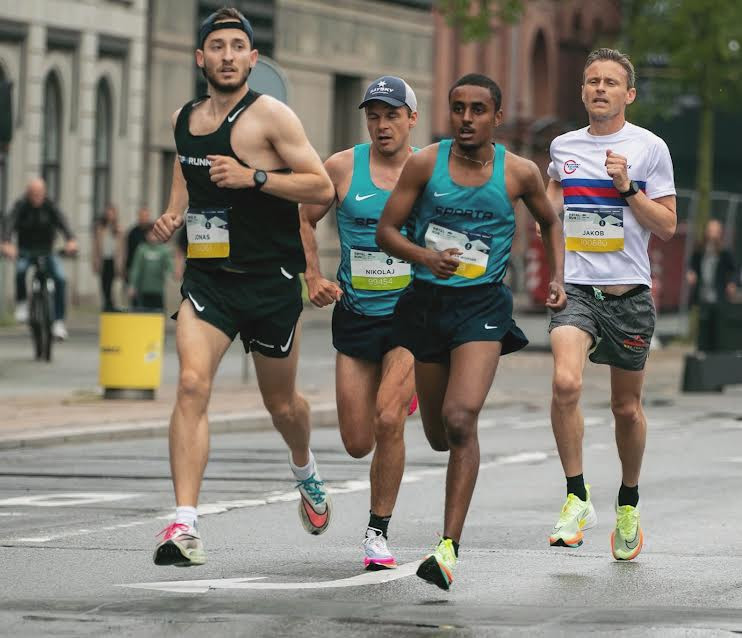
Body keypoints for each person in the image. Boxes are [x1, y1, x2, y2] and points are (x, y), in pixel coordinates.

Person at [150, 7, 335, 567]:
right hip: (208, 281)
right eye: (218, 46)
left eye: (238, 46)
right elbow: (186, 170)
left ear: (253, 59)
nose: (227, 55)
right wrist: (172, 214)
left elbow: (320, 186)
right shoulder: (184, 116)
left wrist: (254, 176)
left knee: (280, 404)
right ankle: (185, 524)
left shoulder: (271, 116)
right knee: (189, 385)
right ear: (200, 57)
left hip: (271, 282)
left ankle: (304, 466)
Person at [376, 73, 567, 590]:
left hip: (482, 305)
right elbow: (386, 231)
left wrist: (558, 278)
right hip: (426, 304)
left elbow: (550, 221)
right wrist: (424, 257)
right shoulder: (424, 164)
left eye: (477, 109)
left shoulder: (519, 173)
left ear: (496, 117)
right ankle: (434, 413)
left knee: (462, 419)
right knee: (439, 436)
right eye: (458, 108)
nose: (466, 118)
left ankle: (447, 549)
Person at [545, 48, 677, 561]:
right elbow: (548, 209)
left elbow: (665, 226)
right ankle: (577, 496)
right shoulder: (563, 146)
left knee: (626, 408)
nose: (599, 88)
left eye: (609, 82)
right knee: (565, 382)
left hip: (629, 294)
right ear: (582, 91)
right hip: (577, 289)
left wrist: (626, 189)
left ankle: (628, 502)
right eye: (591, 81)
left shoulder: (650, 148)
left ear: (629, 94)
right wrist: (554, 267)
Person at [299, 76, 419, 571]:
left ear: (412, 118)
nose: (382, 124)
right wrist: (313, 275)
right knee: (356, 442)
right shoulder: (343, 167)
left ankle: (377, 534)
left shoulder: (430, 171)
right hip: (355, 314)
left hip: (411, 317)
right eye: (373, 115)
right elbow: (303, 218)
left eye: (392, 115)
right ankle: (400, 396)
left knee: (389, 419)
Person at [0, 177, 77, 340]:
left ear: (44, 193)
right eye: (33, 193)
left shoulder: (50, 206)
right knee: (20, 271)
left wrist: (70, 240)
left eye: (39, 193)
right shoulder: (21, 206)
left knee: (60, 279)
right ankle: (22, 305)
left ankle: (58, 322)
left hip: (47, 250)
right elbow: (10, 223)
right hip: (26, 250)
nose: (36, 197)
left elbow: (62, 222)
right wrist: (6, 242)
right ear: (28, 193)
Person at [686, 218, 737, 352]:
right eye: (710, 230)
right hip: (703, 293)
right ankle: (702, 350)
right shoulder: (699, 250)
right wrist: (691, 273)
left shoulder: (725, 252)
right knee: (703, 324)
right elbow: (692, 266)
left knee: (718, 325)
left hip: (718, 294)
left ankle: (717, 351)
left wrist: (732, 282)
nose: (712, 233)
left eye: (715, 230)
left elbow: (734, 270)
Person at [128, 223, 172, 311]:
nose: (152, 236)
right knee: (144, 314)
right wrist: (132, 285)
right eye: (150, 234)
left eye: (155, 234)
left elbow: (169, 266)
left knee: (159, 314)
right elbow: (136, 269)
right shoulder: (141, 249)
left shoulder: (164, 250)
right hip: (144, 290)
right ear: (146, 235)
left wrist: (168, 274)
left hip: (158, 290)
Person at [92, 204, 124, 311]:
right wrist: (95, 261)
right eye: (108, 213)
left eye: (112, 213)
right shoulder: (100, 228)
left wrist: (121, 263)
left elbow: (122, 248)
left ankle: (111, 304)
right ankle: (107, 303)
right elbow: (96, 246)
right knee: (103, 283)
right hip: (103, 259)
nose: (110, 215)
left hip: (113, 260)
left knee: (111, 284)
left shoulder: (118, 228)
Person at [125, 206, 152, 281]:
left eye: (146, 216)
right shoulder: (132, 232)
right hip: (135, 267)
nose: (144, 218)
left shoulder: (154, 230)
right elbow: (129, 251)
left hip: (150, 267)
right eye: (142, 216)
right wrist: (127, 268)